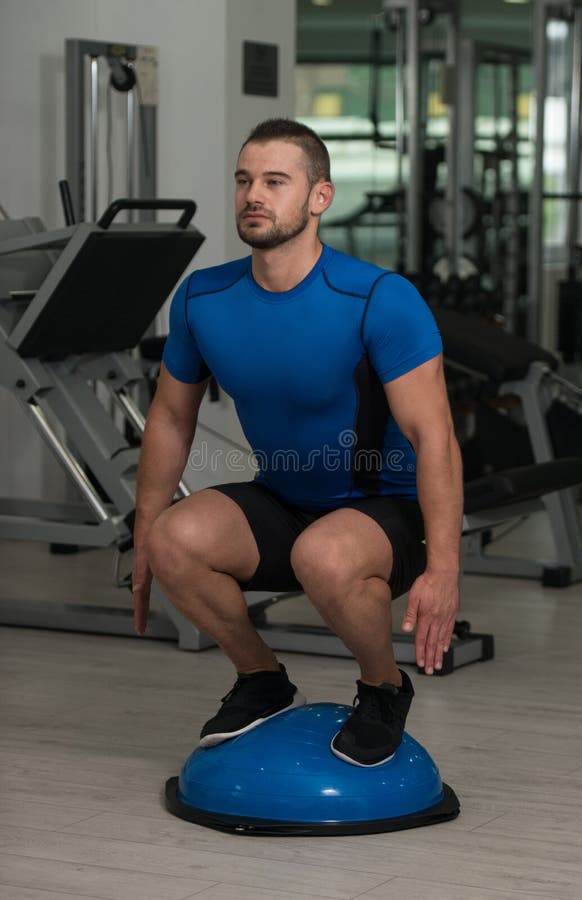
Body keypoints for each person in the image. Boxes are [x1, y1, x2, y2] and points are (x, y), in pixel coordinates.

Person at [133, 118, 462, 768]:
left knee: (325, 555)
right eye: (244, 180)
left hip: (386, 508)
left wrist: (444, 571)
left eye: (274, 181)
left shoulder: (376, 298)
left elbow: (436, 437)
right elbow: (171, 418)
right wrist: (144, 530)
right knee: (173, 537)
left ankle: (382, 688)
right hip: (285, 499)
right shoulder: (203, 297)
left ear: (319, 197)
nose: (254, 194)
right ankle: (262, 679)